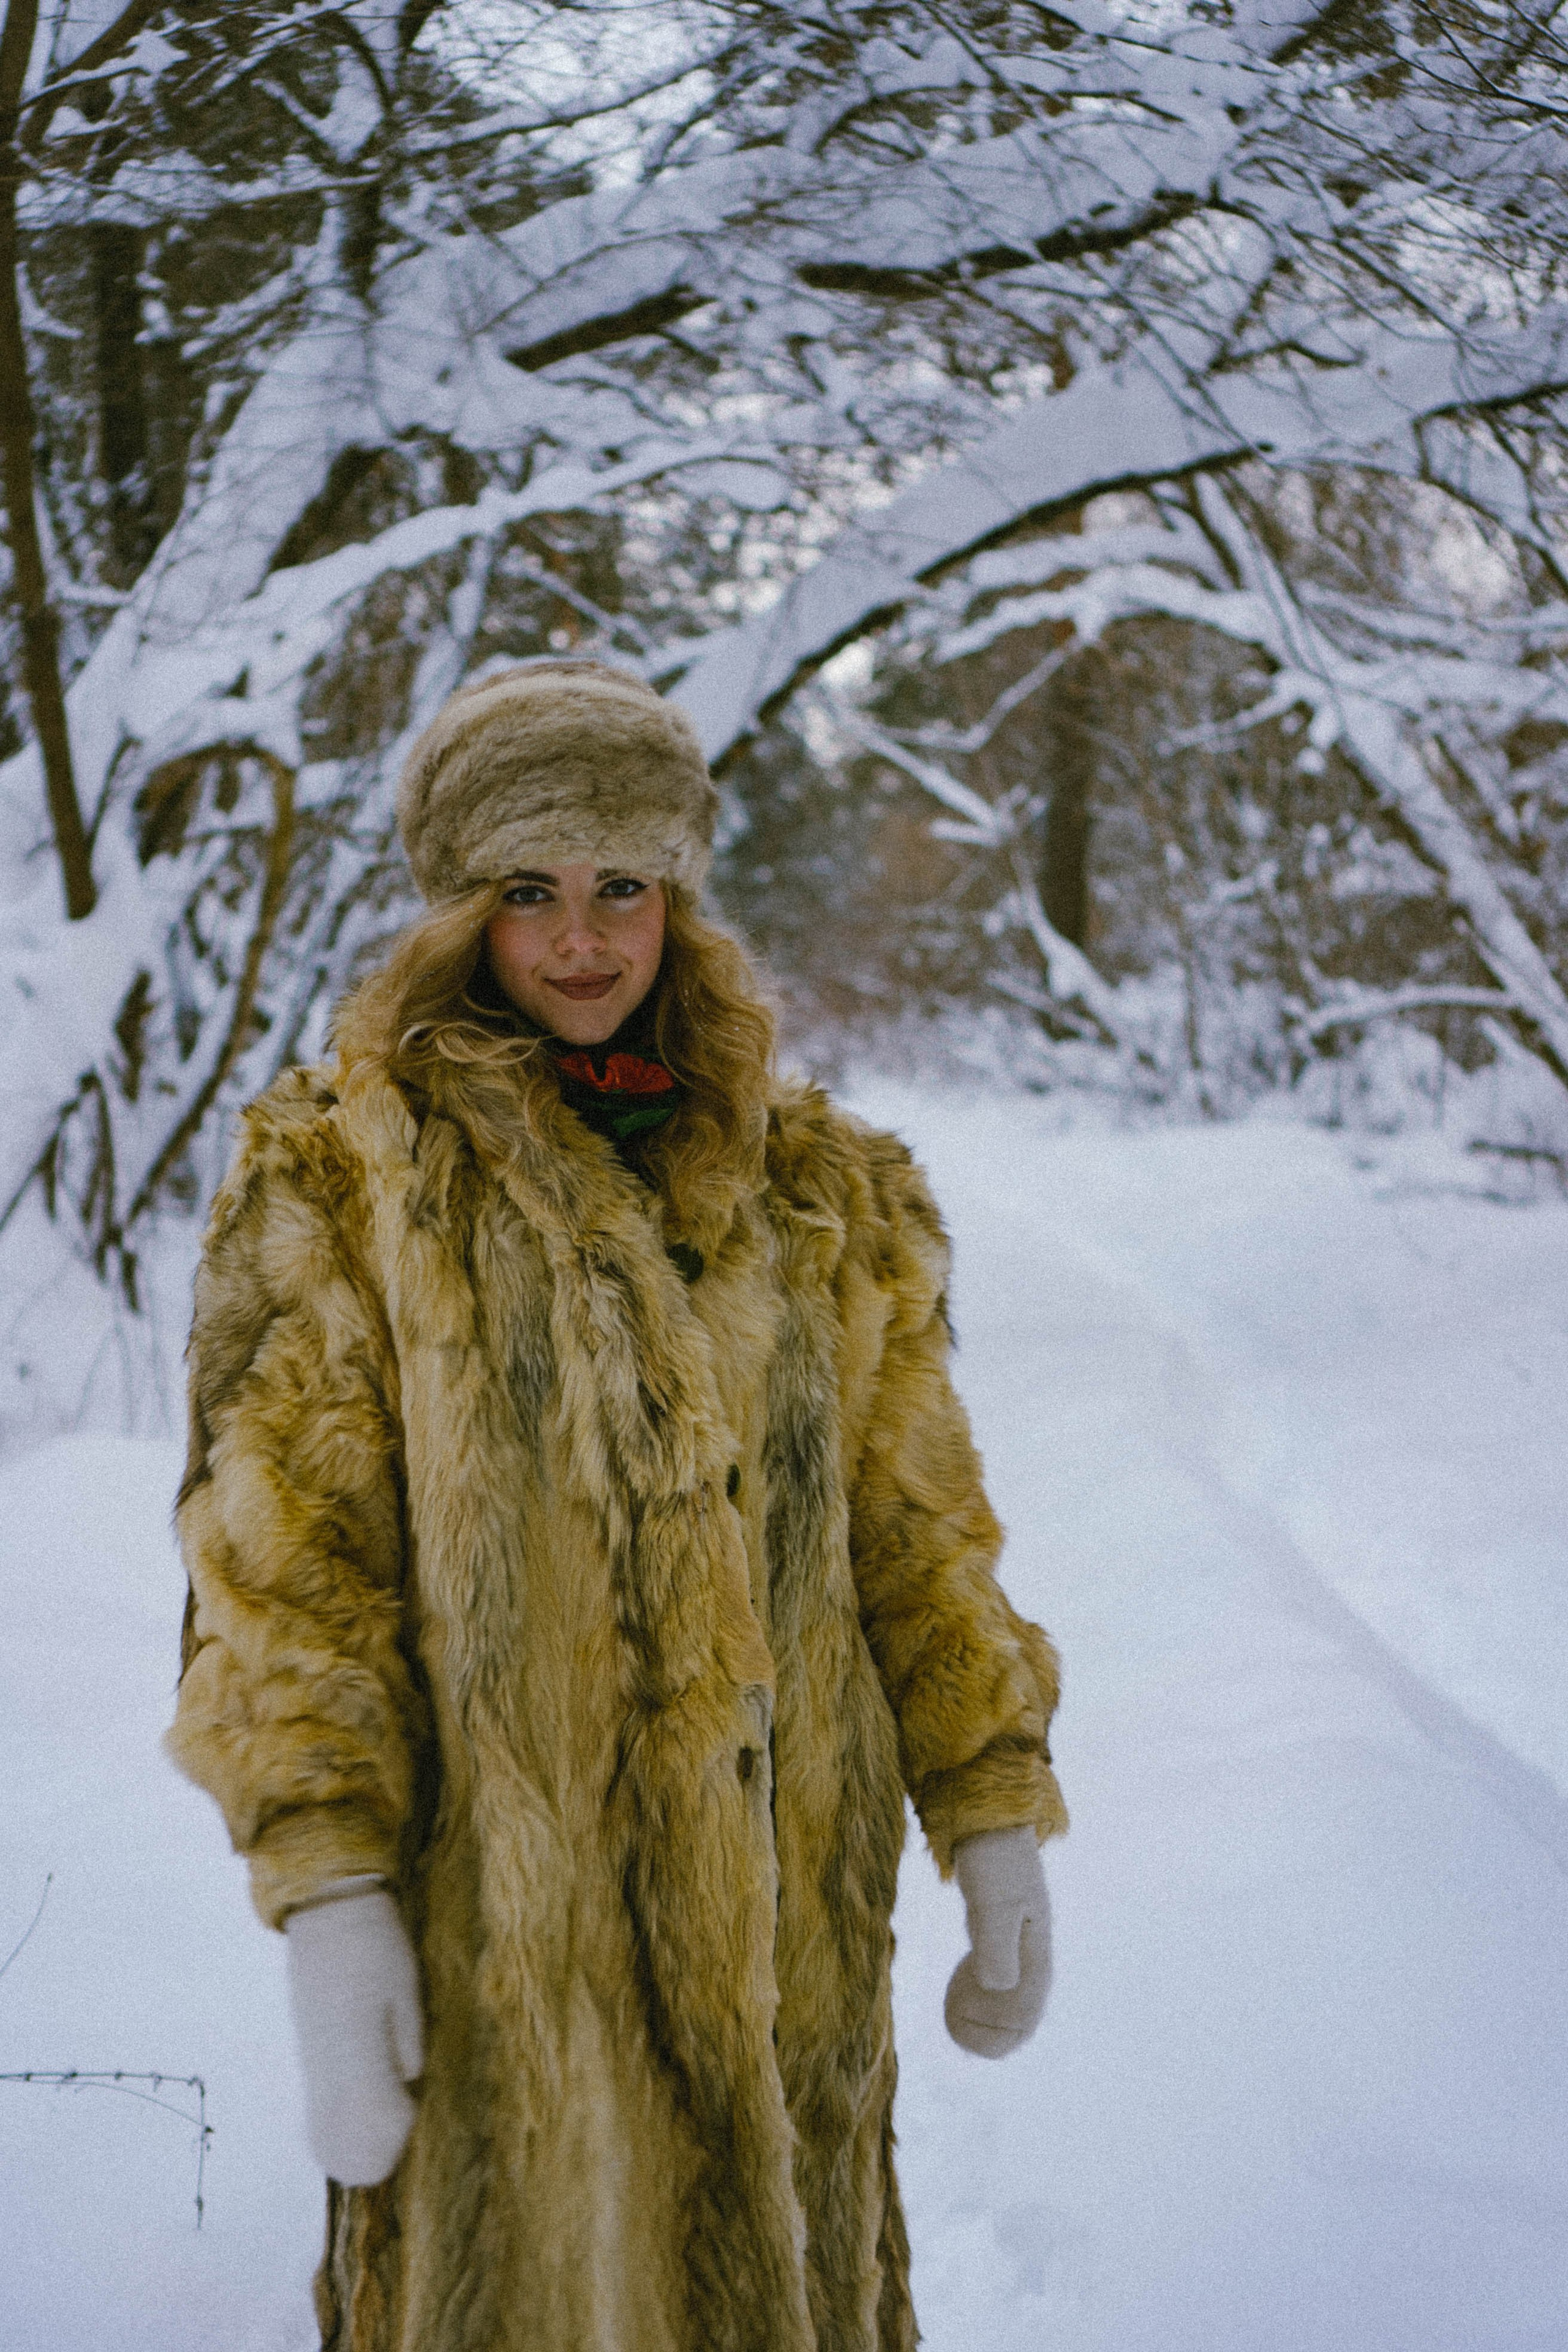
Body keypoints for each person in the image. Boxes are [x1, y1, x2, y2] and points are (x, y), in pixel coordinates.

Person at [166, 660, 1068, 2352]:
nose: (582, 941)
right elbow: (283, 1557)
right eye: (530, 893)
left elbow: (920, 1531)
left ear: (679, 899)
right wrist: (330, 1882)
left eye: (622, 888)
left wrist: (994, 1801)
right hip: (507, 1959)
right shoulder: (346, 1175)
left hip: (793, 1954)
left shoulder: (829, 1192)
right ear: (463, 911)